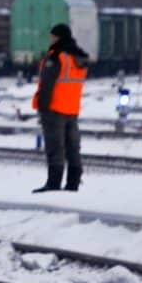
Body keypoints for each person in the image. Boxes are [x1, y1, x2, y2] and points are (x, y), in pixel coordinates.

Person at [30, 23, 91, 192]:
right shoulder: (78, 57)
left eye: (52, 36)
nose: (50, 39)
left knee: (55, 147)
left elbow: (47, 83)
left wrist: (42, 105)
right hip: (72, 108)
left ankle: (53, 183)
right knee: (73, 148)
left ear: (57, 37)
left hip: (54, 108)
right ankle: (73, 183)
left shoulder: (57, 56)